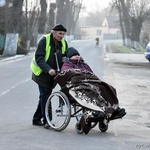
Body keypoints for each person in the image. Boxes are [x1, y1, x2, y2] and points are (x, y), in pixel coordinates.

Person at [60, 47, 126, 120]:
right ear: (69, 56)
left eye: (78, 54)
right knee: (92, 91)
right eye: (74, 55)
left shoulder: (84, 64)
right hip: (77, 85)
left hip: (90, 82)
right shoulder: (67, 64)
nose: (77, 56)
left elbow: (91, 74)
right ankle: (98, 111)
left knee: (106, 87)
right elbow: (67, 74)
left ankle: (114, 109)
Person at [30, 24, 68, 127]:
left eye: (63, 34)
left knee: (44, 96)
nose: (62, 36)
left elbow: (65, 58)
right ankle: (48, 120)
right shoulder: (44, 40)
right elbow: (39, 58)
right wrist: (48, 69)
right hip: (41, 73)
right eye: (60, 34)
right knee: (46, 95)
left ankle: (36, 119)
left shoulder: (63, 43)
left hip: (54, 74)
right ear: (53, 32)